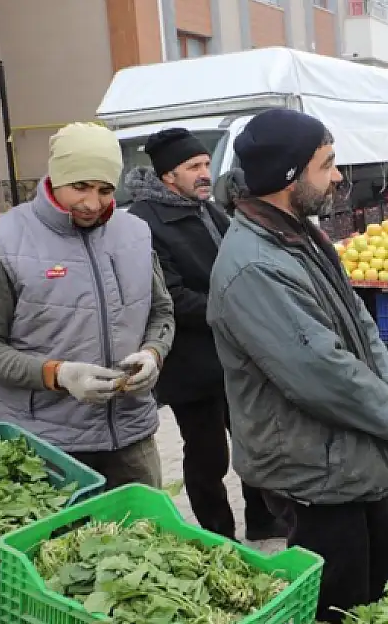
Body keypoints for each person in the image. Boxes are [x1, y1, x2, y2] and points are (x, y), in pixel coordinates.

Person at [206, 108, 388, 622]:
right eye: (327, 165)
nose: (339, 177)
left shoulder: (300, 233)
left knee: (386, 575)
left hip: (346, 451)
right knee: (340, 602)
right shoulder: (254, 265)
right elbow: (320, 371)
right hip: (310, 467)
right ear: (288, 178)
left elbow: (362, 330)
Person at [0, 123, 175, 488]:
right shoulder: (0, 242)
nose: (92, 203)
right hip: (46, 447)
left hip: (131, 440)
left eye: (105, 190)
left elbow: (161, 312)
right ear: (55, 176)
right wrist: (57, 374)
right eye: (80, 186)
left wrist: (153, 353)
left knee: (148, 538)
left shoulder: (136, 234)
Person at [126, 128, 286, 542]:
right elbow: (172, 297)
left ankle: (264, 518)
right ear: (167, 176)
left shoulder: (208, 210)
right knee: (207, 454)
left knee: (253, 442)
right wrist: (236, 311)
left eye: (205, 164)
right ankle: (219, 534)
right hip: (190, 364)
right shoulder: (145, 223)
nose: (204, 173)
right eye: (193, 167)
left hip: (232, 354)